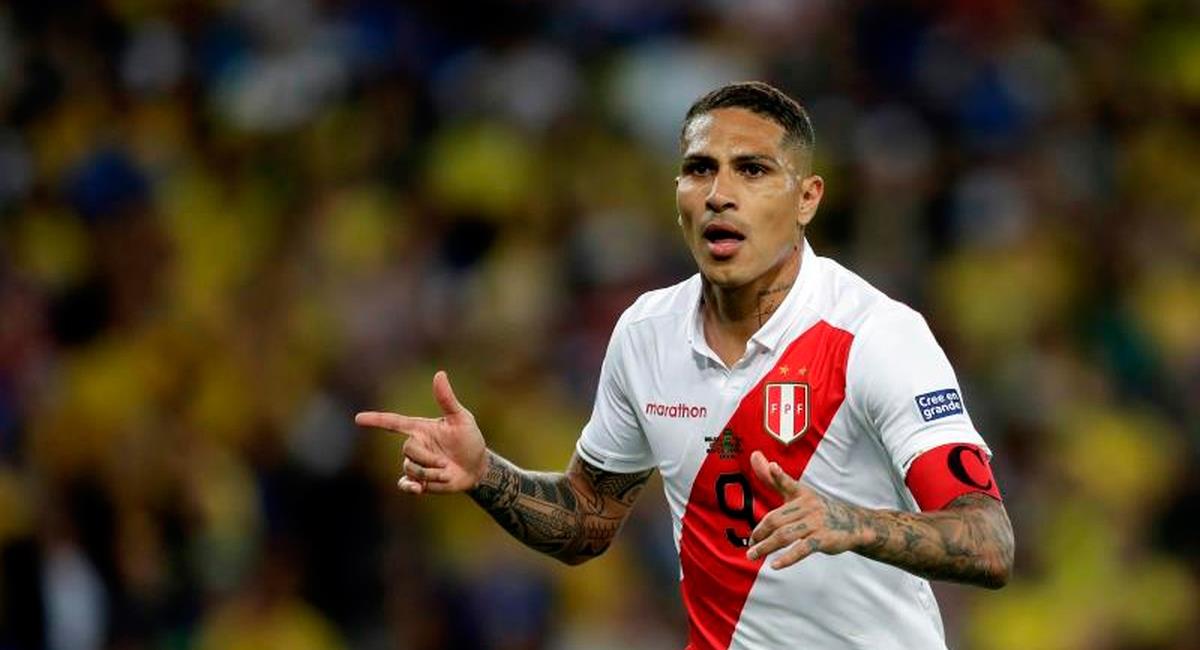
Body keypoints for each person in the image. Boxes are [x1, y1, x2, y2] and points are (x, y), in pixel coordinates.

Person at [356, 81, 1014, 649]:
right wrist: (485, 475)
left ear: (807, 198)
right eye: (700, 169)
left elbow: (988, 540)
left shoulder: (875, 336)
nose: (720, 194)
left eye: (752, 170)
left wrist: (853, 523)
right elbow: (588, 522)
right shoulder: (646, 334)